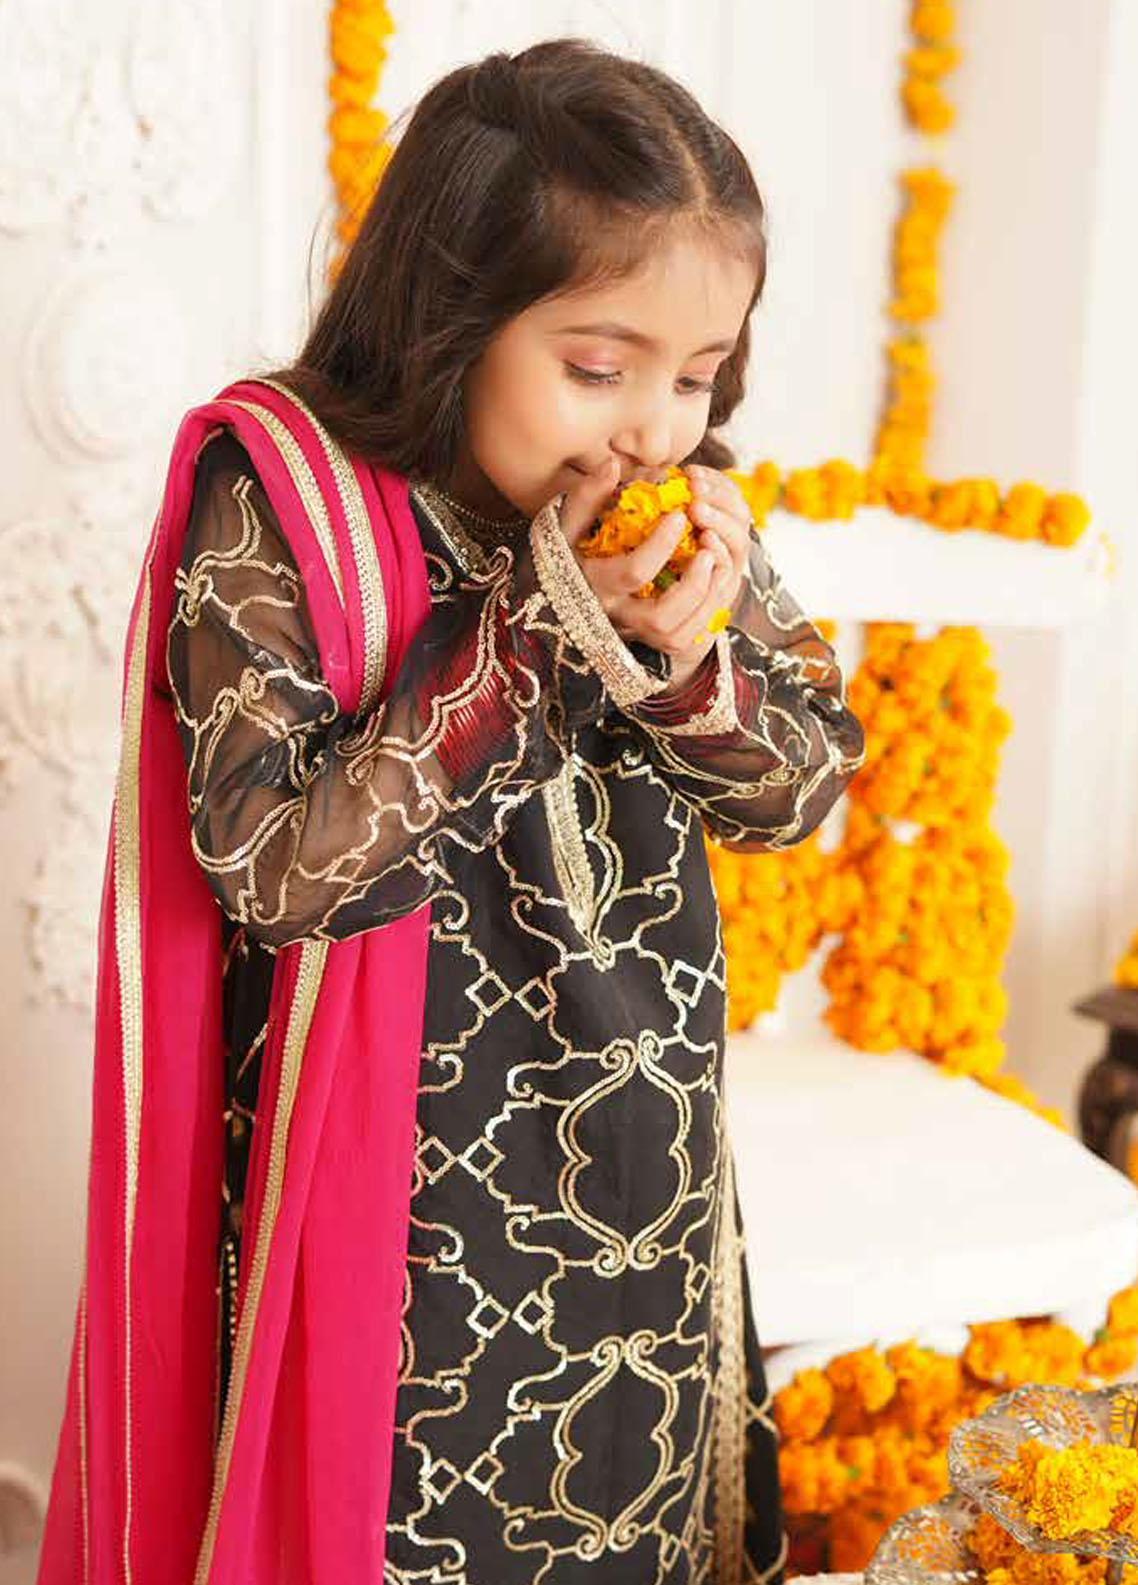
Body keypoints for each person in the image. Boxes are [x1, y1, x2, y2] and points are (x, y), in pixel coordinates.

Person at [38, 37, 866, 1585]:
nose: (652, 430)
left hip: (643, 1169)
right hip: (407, 1210)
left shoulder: (680, 517)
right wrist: (536, 629)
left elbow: (802, 785)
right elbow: (279, 870)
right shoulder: (285, 493)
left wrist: (683, 665)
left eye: (696, 375)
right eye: (599, 366)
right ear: (455, 312)